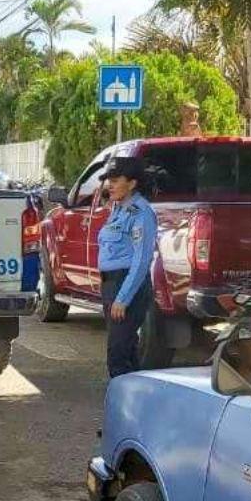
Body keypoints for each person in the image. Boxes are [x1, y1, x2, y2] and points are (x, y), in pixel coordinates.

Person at [96, 156, 158, 378]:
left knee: (118, 354)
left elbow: (142, 260)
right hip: (112, 284)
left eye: (115, 180)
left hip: (127, 285)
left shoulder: (141, 213)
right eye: (108, 181)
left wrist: (123, 298)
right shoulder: (119, 210)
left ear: (132, 183)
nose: (110, 185)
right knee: (126, 350)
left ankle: (121, 405)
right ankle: (135, 405)